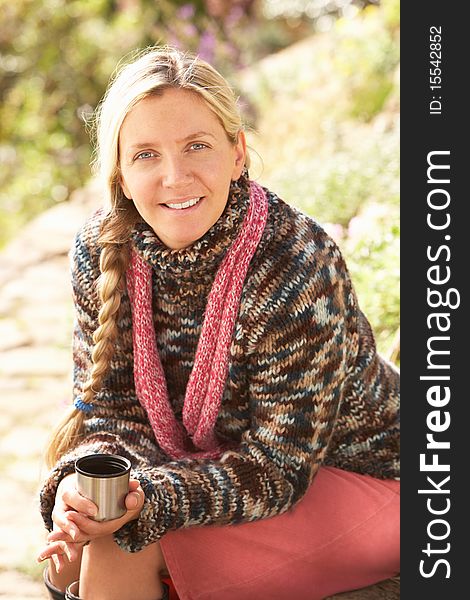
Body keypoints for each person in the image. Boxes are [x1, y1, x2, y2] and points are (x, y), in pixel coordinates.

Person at [36, 46, 400, 600]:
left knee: (123, 539)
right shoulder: (102, 251)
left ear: (238, 154)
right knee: (88, 542)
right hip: (229, 472)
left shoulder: (294, 263)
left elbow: (278, 467)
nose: (175, 177)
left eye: (197, 146)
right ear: (120, 173)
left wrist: (144, 501)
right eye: (146, 155)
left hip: (376, 480)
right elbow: (108, 411)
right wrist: (82, 487)